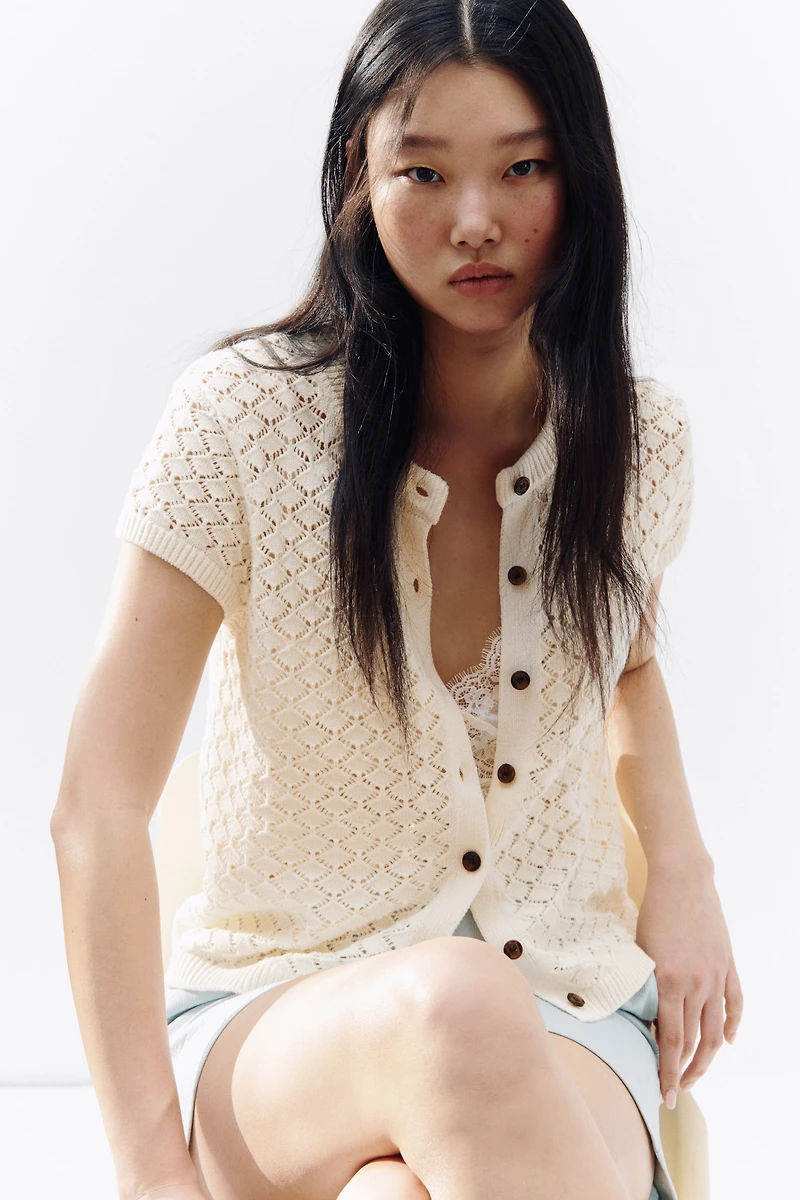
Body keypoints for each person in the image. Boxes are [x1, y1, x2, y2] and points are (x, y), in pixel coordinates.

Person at [51, 2, 743, 1199]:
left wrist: (684, 872)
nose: (474, 220)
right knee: (455, 1008)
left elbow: (623, 665)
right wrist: (151, 1174)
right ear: (356, 179)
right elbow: (95, 808)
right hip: (277, 1023)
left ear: (580, 175)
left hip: (566, 1010)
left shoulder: (639, 445)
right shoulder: (240, 421)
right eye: (422, 171)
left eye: (521, 168)